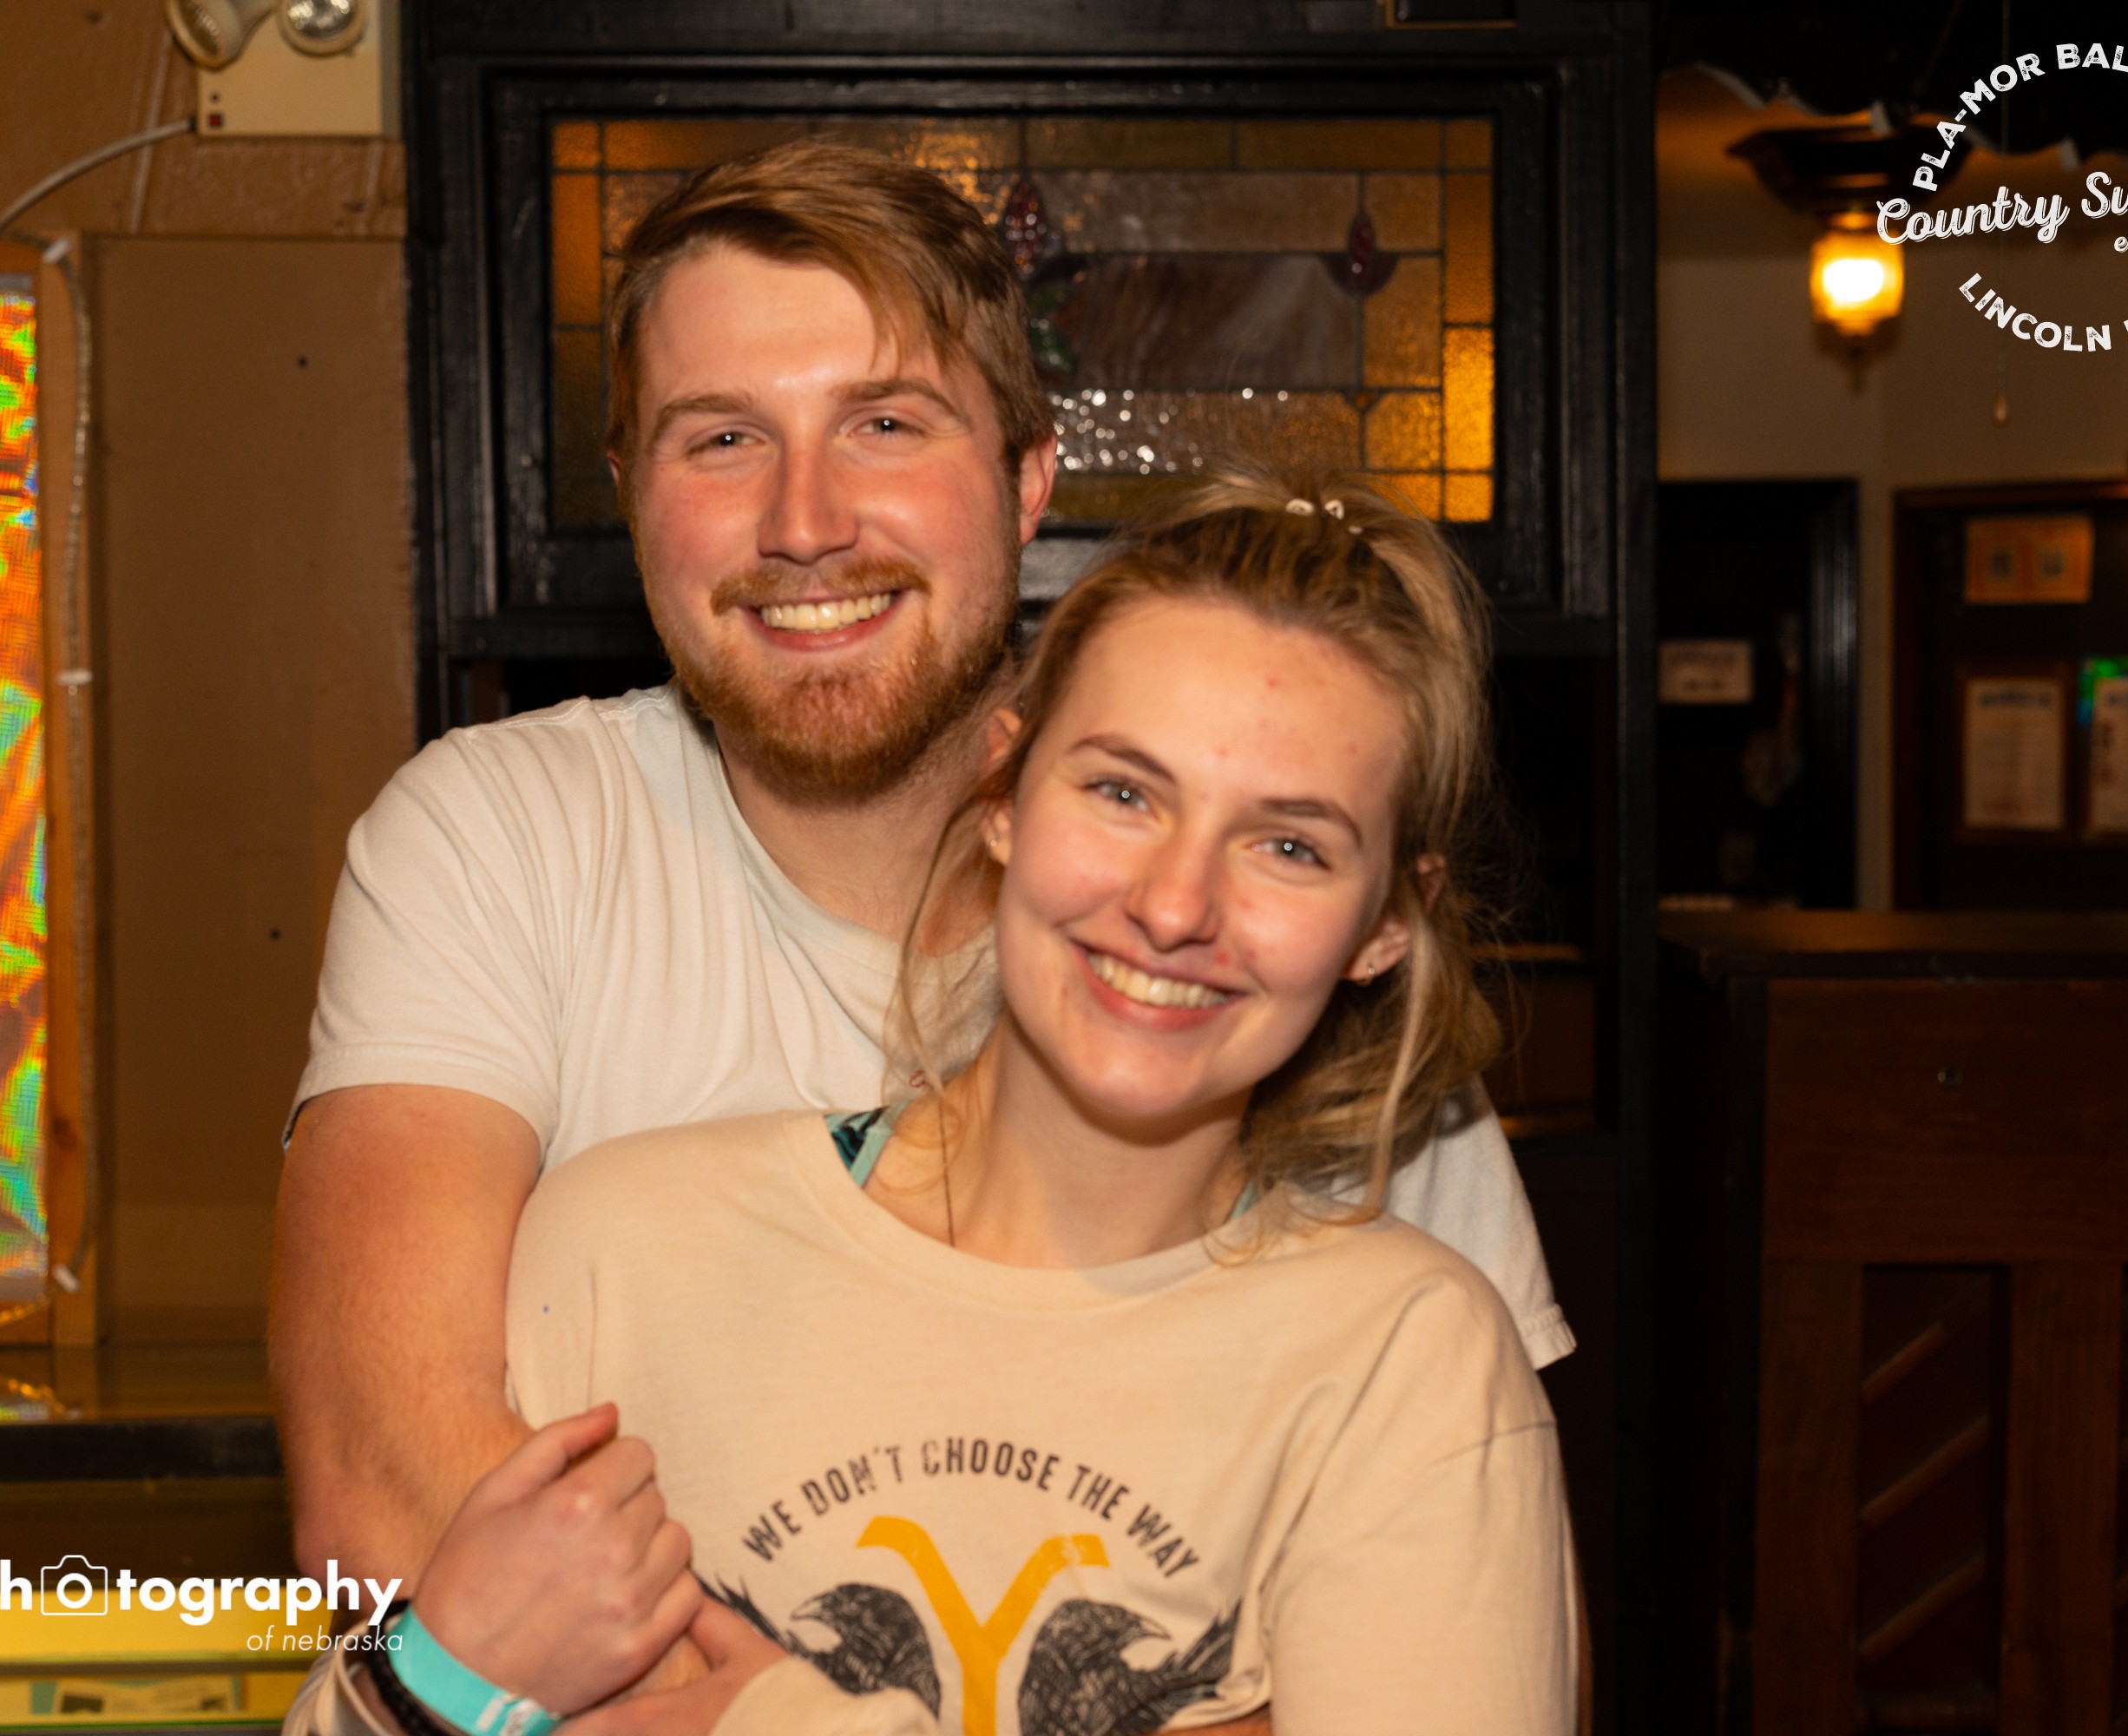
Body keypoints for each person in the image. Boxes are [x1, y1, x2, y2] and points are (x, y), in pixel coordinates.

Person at [271, 138, 1573, 1601]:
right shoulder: (503, 839)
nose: (806, 523)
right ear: (632, 497)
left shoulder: (1251, 938)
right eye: (722, 439)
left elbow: (1480, 1590)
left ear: (1027, 478)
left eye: (885, 424)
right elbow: (384, 1502)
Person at [287, 470, 1577, 1736]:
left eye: (1290, 845)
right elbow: (386, 1693)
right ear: (1003, 796)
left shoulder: (1407, 1363)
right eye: (1123, 792)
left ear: (1386, 925)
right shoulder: (624, 1247)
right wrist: (429, 1680)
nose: (1177, 906)